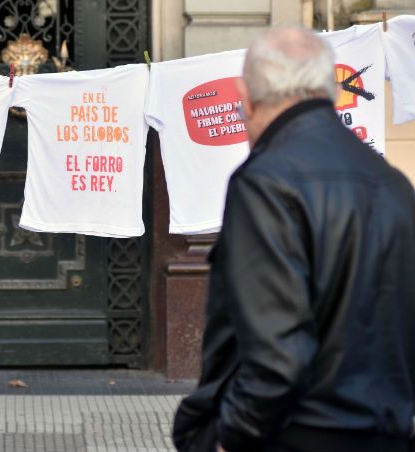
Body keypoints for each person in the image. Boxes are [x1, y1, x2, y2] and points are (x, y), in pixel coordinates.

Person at [172, 26, 415, 452]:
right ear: (328, 90)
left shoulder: (266, 183)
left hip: (295, 435)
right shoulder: (392, 183)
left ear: (247, 101)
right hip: (386, 432)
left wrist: (229, 438)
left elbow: (277, 359)